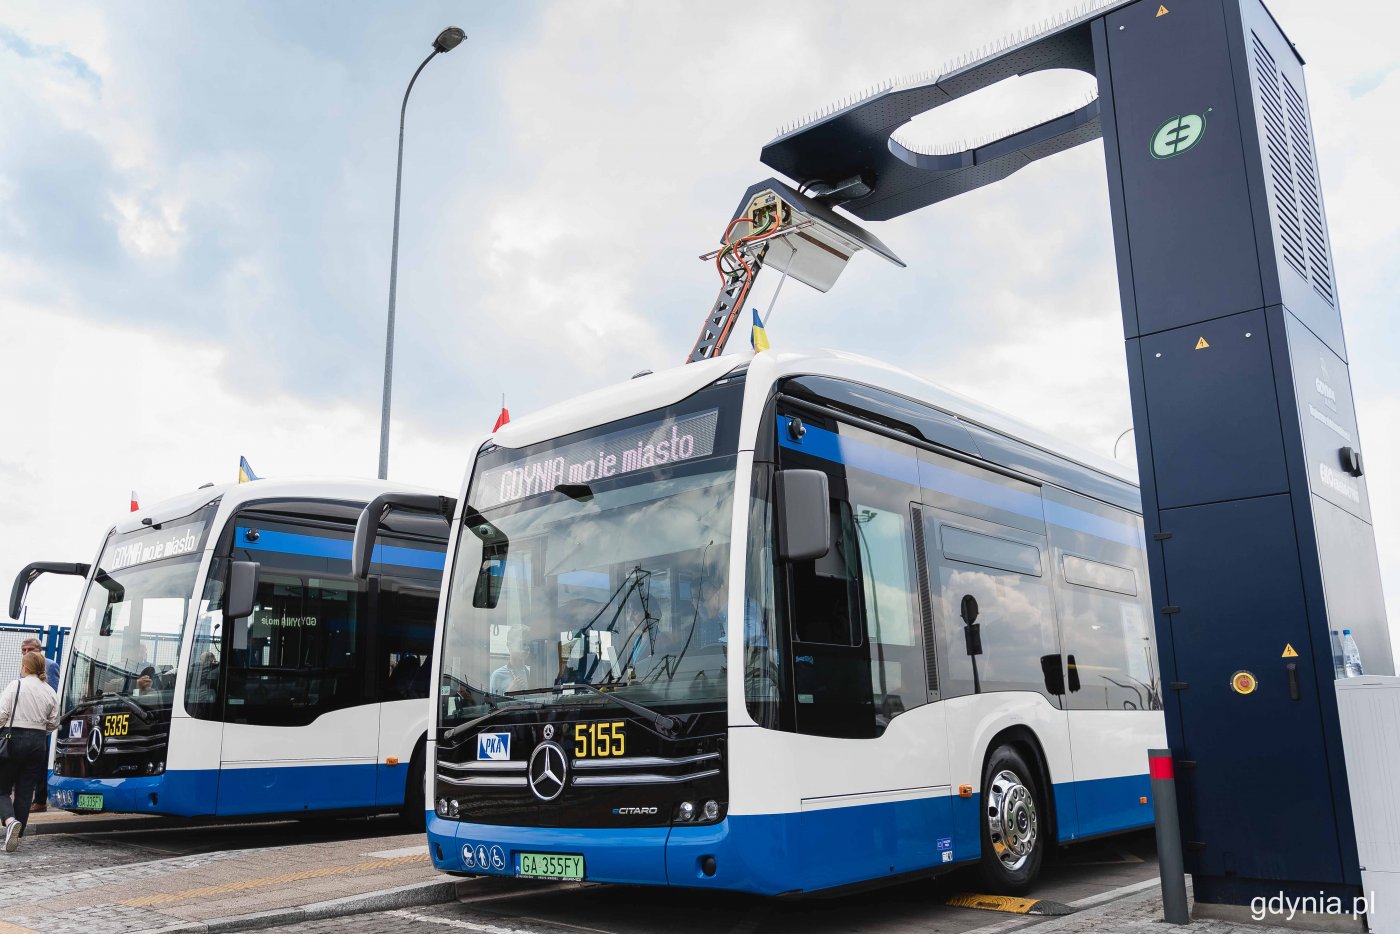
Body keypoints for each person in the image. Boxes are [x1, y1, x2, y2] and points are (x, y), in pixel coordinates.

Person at [0, 651, 60, 852]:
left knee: (2, 789)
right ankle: (17, 832)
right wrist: (40, 732)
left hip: (14, 739)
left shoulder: (16, 685)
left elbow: (2, 714)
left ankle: (10, 822)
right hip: (38, 743)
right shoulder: (49, 691)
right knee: (25, 791)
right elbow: (54, 723)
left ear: (25, 667)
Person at [17, 639, 58, 814]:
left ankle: (40, 800)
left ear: (39, 650)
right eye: (24, 650)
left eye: (30, 649)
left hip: (41, 723)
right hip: (26, 722)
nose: (26, 653)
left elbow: (54, 694)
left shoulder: (50, 665)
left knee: (41, 764)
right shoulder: (23, 669)